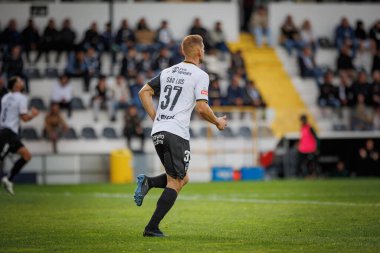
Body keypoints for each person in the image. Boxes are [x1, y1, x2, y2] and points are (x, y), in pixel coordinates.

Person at [135, 35, 228, 237]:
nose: (203, 50)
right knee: (176, 182)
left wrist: (157, 118)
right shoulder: (200, 74)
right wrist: (218, 122)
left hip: (159, 131)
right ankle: (151, 228)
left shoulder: (167, 71)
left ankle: (149, 183)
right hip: (176, 132)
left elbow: (144, 92)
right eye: (202, 47)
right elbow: (202, 109)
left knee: (181, 177)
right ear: (198, 51)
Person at [0, 76, 39, 195]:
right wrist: (33, 114)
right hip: (8, 133)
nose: (22, 82)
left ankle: (8, 179)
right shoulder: (21, 98)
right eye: (19, 81)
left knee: (26, 155)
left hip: (7, 132)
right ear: (16, 85)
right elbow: (24, 118)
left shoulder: (5, 97)